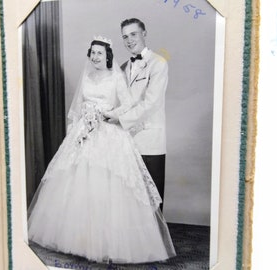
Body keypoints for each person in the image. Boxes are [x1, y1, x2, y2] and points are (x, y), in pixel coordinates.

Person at [27, 36, 176, 264]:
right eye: (93, 53)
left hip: (108, 133)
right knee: (79, 184)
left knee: (107, 183)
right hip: (84, 133)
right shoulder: (86, 77)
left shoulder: (116, 77)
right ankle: (79, 239)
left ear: (108, 56)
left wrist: (109, 114)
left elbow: (127, 104)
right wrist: (75, 131)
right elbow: (76, 108)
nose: (96, 57)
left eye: (100, 53)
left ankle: (108, 242)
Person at [104, 18, 169, 211]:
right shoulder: (123, 67)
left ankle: (156, 240)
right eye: (125, 36)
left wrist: (119, 119)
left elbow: (151, 102)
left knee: (152, 196)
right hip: (126, 141)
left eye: (133, 34)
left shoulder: (158, 63)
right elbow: (122, 102)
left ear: (144, 34)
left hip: (149, 139)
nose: (129, 40)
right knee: (130, 196)